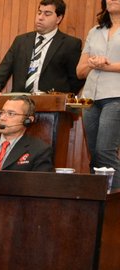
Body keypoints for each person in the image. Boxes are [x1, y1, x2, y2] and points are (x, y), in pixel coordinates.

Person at [0, 0, 82, 94]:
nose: (40, 17)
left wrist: (60, 98)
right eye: (39, 13)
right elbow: (3, 70)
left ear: (58, 18)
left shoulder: (70, 44)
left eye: (47, 14)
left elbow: (76, 80)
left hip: (50, 101)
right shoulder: (21, 41)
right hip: (19, 100)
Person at [77, 0, 120, 179]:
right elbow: (80, 71)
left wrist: (104, 65)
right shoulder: (94, 31)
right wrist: (92, 62)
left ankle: (114, 195)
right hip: (89, 99)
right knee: (94, 154)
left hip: (116, 96)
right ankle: (98, 196)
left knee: (105, 152)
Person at [0, 95, 54, 171]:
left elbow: (41, 179)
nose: (2, 118)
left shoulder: (39, 150)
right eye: (2, 112)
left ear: (28, 120)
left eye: (11, 114)